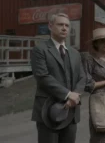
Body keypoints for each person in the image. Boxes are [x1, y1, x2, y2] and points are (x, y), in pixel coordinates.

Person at [30, 13, 86, 143]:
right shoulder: (40, 49)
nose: (64, 28)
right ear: (50, 26)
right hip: (48, 111)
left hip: (71, 111)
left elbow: (83, 77)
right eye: (60, 24)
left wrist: (75, 96)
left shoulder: (75, 53)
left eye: (67, 25)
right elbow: (42, 77)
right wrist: (67, 94)